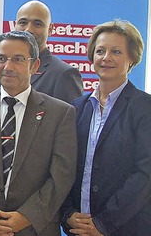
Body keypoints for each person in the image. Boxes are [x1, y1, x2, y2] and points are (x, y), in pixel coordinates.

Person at [0, 30, 77, 236]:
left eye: (18, 59)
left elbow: (61, 177)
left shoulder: (60, 113)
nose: (8, 67)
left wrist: (26, 217)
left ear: (34, 65)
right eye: (1, 58)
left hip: (34, 228)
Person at [60, 20, 151, 235]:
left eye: (117, 51)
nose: (106, 58)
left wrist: (103, 224)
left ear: (132, 59)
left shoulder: (145, 108)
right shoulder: (77, 108)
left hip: (125, 228)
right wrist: (67, 214)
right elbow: (64, 167)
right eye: (100, 51)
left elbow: (144, 175)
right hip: (79, 228)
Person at [0, 0, 83, 104]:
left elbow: (69, 118)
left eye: (37, 24)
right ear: (15, 25)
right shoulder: (4, 70)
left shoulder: (64, 74)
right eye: (23, 23)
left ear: (50, 29)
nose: (28, 29)